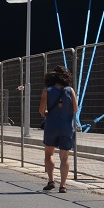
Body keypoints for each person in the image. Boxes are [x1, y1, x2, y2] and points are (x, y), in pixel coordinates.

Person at [39, 65, 78, 193]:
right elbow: (75, 109)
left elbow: (41, 110)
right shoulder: (70, 90)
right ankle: (63, 185)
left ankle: (51, 181)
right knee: (64, 157)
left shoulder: (47, 90)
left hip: (51, 126)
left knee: (49, 153)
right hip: (66, 127)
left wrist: (48, 113)